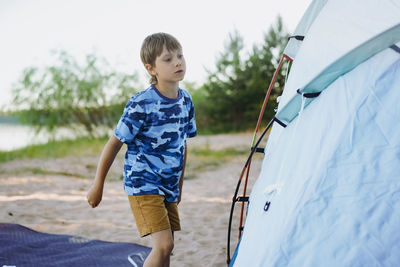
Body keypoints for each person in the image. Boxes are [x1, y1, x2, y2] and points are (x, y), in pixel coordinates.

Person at [86, 32, 197, 267]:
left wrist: (179, 184)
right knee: (163, 245)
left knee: (168, 248)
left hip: (169, 184)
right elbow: (114, 143)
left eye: (180, 56)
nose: (178, 62)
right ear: (151, 68)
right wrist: (98, 185)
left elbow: (182, 143)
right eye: (168, 59)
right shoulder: (141, 103)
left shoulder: (185, 101)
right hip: (143, 182)